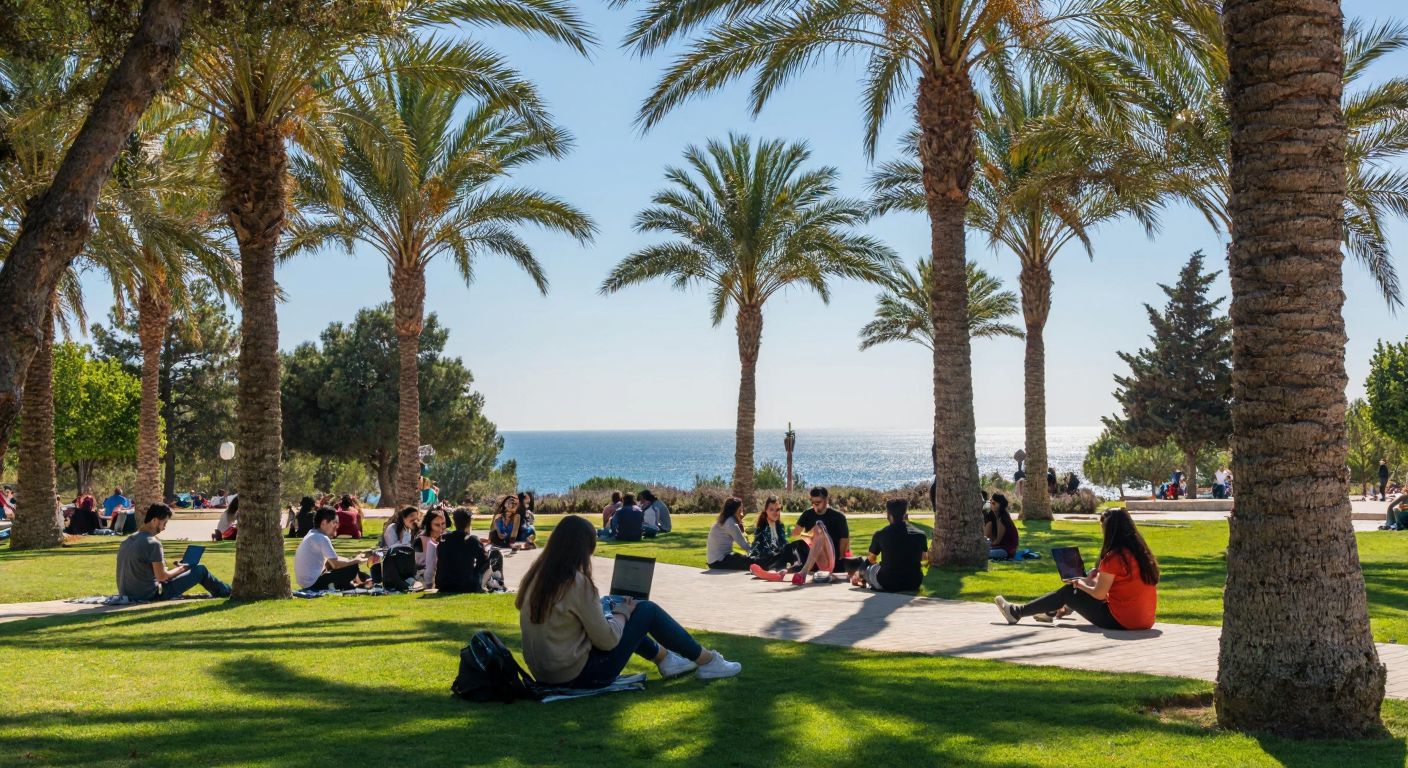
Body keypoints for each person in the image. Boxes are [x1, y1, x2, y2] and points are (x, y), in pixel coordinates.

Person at [516, 515, 740, 688]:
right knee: (646, 610)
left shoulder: (537, 575)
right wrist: (622, 612)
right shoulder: (575, 582)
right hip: (577, 675)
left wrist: (609, 609)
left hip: (546, 673)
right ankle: (708, 662)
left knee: (613, 606)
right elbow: (609, 640)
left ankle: (666, 660)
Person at [995, 507, 1159, 630]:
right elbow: (1118, 587)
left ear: (1111, 530)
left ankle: (1017, 612)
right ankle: (1050, 612)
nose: (1102, 532)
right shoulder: (1140, 553)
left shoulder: (1114, 557)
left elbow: (1100, 594)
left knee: (1069, 591)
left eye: (1103, 528)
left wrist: (1079, 583)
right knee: (1085, 581)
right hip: (1145, 620)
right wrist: (1089, 579)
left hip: (1121, 621)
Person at [117, 503, 232, 600]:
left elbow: (150, 573)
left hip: (127, 594)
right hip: (150, 595)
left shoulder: (128, 540)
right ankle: (228, 591)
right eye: (164, 523)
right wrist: (184, 568)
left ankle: (226, 589)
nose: (164, 528)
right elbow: (162, 577)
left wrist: (178, 570)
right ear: (155, 520)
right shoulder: (153, 543)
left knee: (188, 569)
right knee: (200, 570)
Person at [848, 499, 928, 592]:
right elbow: (924, 558)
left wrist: (862, 571)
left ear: (888, 514)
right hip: (914, 582)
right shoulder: (920, 534)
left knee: (868, 567)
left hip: (887, 582)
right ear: (905, 513)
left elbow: (871, 559)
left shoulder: (881, 534)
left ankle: (858, 578)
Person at [295, 507, 374, 591]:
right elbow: (335, 564)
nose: (337, 526)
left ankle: (353, 583)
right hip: (313, 584)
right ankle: (356, 583)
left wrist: (352, 559)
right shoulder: (321, 537)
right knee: (352, 567)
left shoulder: (312, 533)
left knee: (348, 564)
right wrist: (356, 560)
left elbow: (333, 559)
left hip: (307, 583)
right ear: (324, 523)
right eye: (335, 522)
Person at [437, 508, 506, 593]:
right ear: (469, 522)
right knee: (495, 554)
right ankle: (497, 583)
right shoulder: (472, 540)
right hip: (467, 585)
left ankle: (492, 582)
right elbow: (484, 560)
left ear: (454, 522)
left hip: (445, 584)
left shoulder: (444, 539)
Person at [791, 487, 849, 573]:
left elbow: (844, 540)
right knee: (816, 531)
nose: (815, 505)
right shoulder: (807, 514)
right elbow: (795, 535)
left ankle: (804, 571)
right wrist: (810, 536)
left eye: (818, 503)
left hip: (831, 557)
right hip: (812, 558)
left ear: (826, 500)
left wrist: (840, 560)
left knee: (819, 529)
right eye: (813, 502)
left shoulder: (838, 517)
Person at [748, 496, 808, 571]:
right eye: (771, 510)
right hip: (766, 558)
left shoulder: (780, 526)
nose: (775, 513)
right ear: (766, 510)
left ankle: (800, 567)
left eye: (777, 510)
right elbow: (761, 548)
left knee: (799, 544)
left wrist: (785, 550)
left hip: (778, 556)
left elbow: (783, 543)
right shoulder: (762, 527)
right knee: (790, 548)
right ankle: (775, 569)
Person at [706, 497, 753, 570]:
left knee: (746, 559)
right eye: (740, 510)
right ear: (733, 511)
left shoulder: (725, 520)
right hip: (719, 561)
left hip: (716, 561)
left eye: (742, 510)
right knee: (751, 562)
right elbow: (744, 544)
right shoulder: (730, 522)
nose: (742, 514)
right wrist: (755, 553)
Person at [413, 509, 446, 587]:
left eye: (443, 524)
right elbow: (416, 565)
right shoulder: (420, 540)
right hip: (423, 577)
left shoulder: (445, 537)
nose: (441, 528)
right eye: (437, 525)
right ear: (429, 524)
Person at [984, 492, 1018, 560]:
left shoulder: (1002, 519)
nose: (991, 504)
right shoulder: (997, 517)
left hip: (1007, 550)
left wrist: (987, 547)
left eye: (993, 503)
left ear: (1000, 505)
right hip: (1003, 547)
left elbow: (998, 541)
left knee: (982, 553)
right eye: (991, 502)